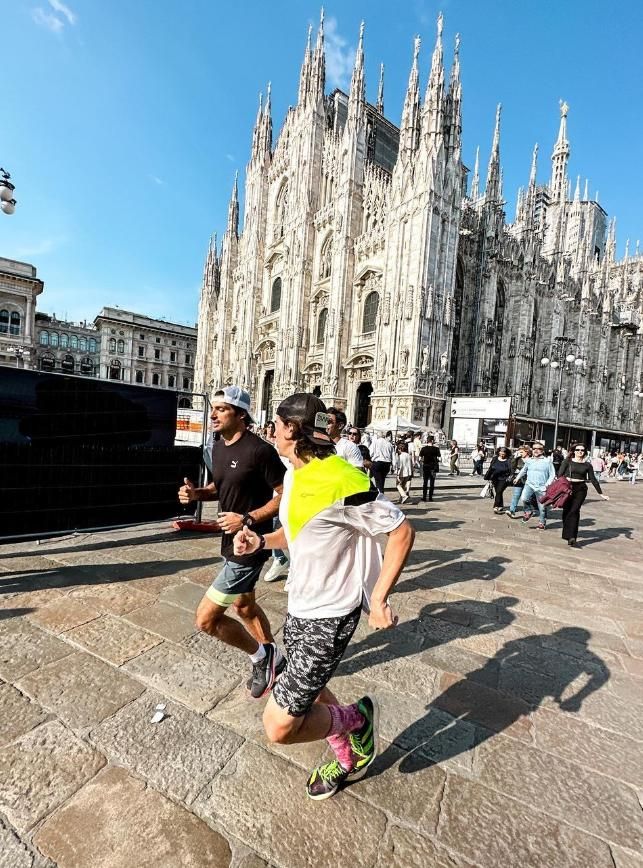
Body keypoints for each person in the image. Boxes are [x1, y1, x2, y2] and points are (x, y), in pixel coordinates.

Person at [232, 393, 415, 800]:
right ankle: (346, 756)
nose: (271, 430)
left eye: (277, 424)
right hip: (299, 603)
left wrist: (381, 598)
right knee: (310, 691)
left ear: (294, 431)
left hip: (331, 614)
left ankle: (357, 720)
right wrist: (260, 541)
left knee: (278, 727)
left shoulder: (343, 478)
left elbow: (401, 531)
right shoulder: (295, 474)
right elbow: (297, 535)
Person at [178, 385, 286, 698]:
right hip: (229, 541)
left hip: (249, 544)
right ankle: (273, 656)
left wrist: (248, 518)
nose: (212, 414)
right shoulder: (219, 445)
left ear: (241, 415)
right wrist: (199, 493)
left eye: (221, 409)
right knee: (244, 606)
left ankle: (262, 658)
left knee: (206, 620)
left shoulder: (260, 450)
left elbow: (284, 494)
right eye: (213, 408)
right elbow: (221, 484)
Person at [557, 444, 610, 546]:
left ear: (585, 452)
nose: (580, 451)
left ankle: (572, 537)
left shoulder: (587, 465)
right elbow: (559, 475)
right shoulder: (567, 462)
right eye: (578, 450)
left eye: (582, 450)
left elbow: (593, 479)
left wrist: (601, 493)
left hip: (581, 489)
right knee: (567, 511)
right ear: (574, 451)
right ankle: (567, 532)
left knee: (574, 511)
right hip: (567, 488)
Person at [514, 442, 556, 529]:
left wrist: (547, 484)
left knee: (542, 507)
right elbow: (523, 470)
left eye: (539, 449)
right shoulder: (529, 460)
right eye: (534, 449)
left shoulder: (547, 461)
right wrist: (517, 478)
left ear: (542, 450)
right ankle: (528, 511)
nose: (536, 450)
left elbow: (552, 474)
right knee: (524, 498)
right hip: (529, 484)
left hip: (542, 486)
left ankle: (542, 523)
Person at [484, 447, 513, 514]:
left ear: (506, 453)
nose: (502, 453)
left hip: (504, 479)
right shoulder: (495, 458)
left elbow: (511, 470)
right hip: (495, 478)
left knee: (499, 491)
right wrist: (489, 477)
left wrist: (510, 477)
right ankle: (501, 505)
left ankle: (496, 506)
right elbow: (491, 468)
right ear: (499, 452)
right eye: (501, 451)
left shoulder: (508, 460)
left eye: (504, 452)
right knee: (498, 492)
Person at [506, 444, 531, 518]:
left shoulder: (532, 460)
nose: (520, 454)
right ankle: (512, 511)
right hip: (519, 480)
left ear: (527, 452)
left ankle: (528, 511)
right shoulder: (517, 459)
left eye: (522, 452)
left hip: (529, 480)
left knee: (526, 497)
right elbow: (512, 468)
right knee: (516, 495)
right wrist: (514, 458)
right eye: (519, 452)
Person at [369, 429, 395, 494]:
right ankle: (380, 493)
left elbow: (370, 453)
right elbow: (393, 456)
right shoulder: (389, 444)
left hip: (377, 463)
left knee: (378, 481)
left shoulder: (375, 442)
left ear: (378, 436)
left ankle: (380, 495)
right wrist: (393, 466)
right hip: (387, 464)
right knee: (382, 480)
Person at [419, 434, 441, 502]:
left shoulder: (423, 448)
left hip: (426, 466)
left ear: (427, 441)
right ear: (432, 441)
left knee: (425, 482)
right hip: (433, 467)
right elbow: (440, 459)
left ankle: (424, 497)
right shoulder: (436, 449)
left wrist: (424, 460)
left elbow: (420, 458)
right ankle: (430, 497)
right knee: (432, 482)